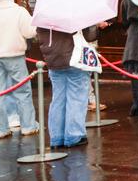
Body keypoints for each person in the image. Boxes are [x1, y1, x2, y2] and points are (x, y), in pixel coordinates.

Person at [34, 18, 101, 149]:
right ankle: (74, 135)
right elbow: (89, 36)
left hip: (53, 61)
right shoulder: (72, 13)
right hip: (73, 59)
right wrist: (94, 26)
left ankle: (56, 137)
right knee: (76, 97)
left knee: (58, 99)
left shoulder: (44, 17)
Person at [0, 0, 39, 139]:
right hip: (15, 56)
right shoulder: (18, 11)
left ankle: (0, 129)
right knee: (23, 92)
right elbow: (30, 32)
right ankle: (28, 126)